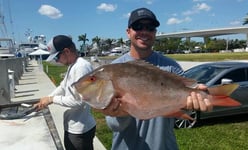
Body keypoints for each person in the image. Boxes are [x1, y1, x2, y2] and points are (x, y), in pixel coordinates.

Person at [100, 8, 213, 150]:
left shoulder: (171, 67)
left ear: (155, 33)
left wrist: (199, 97)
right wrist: (119, 112)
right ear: (128, 32)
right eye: (138, 26)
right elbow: (115, 126)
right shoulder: (114, 68)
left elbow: (185, 101)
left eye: (150, 27)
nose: (144, 31)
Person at [35, 35, 96, 150]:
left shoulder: (81, 67)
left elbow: (79, 101)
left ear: (66, 51)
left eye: (57, 57)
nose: (56, 61)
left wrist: (52, 99)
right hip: (74, 126)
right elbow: (63, 86)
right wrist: (46, 99)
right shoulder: (73, 66)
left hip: (80, 130)